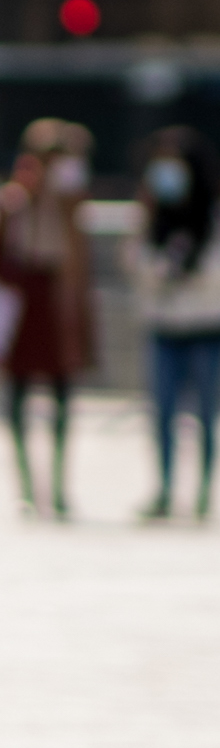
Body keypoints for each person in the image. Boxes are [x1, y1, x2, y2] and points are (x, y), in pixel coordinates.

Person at [0, 118, 96, 518]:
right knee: (16, 398)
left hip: (57, 301)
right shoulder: (14, 201)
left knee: (62, 397)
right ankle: (27, 484)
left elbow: (79, 258)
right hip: (23, 302)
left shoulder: (69, 203)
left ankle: (60, 485)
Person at [132, 127, 220, 521]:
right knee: (163, 413)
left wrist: (194, 271)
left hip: (205, 325)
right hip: (164, 325)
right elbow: (135, 259)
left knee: (205, 414)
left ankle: (203, 491)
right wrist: (159, 271)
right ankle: (165, 489)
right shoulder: (153, 212)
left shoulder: (212, 211)